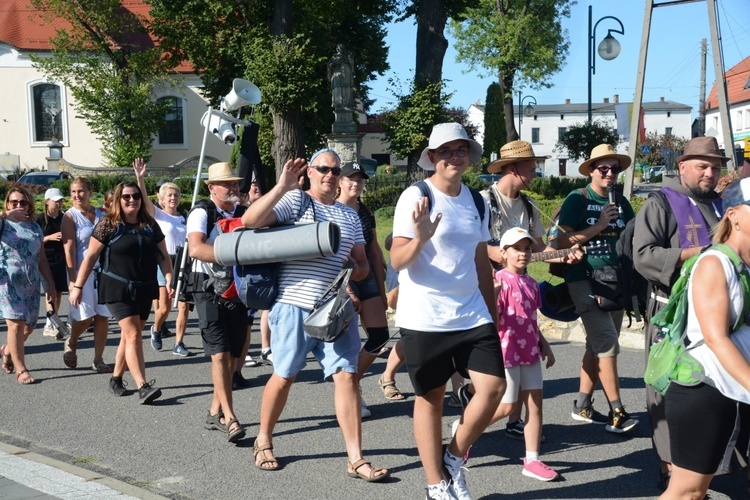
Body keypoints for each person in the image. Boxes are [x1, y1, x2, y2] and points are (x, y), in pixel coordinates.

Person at [241, 148, 389, 482]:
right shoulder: (296, 202)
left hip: (334, 309)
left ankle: (356, 458)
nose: (330, 175)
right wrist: (281, 186)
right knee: (285, 375)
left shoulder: (350, 217)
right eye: (323, 169)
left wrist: (356, 270)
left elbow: (362, 264)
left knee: (347, 376)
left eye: (335, 171)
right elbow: (250, 221)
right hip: (293, 304)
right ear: (310, 171)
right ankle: (263, 439)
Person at [391, 122, 504, 500]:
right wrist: (421, 237)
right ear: (433, 158)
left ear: (468, 156)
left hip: (472, 313)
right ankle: (435, 483)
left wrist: (492, 312)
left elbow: (479, 258)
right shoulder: (416, 196)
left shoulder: (476, 199)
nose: (453, 157)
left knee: (494, 389)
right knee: (432, 398)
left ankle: (454, 458)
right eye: (445, 152)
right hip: (425, 315)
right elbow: (398, 259)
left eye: (460, 151)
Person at [633, 136, 726, 489]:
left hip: (716, 311)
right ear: (682, 166)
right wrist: (699, 252)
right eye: (702, 166)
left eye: (715, 167)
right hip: (671, 312)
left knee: (710, 385)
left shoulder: (721, 204)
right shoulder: (660, 203)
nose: (710, 173)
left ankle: (708, 460)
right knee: (667, 386)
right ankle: (669, 464)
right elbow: (644, 256)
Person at [475, 139, 582, 439]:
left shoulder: (528, 205)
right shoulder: (483, 200)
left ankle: (513, 422)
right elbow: (475, 243)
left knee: (519, 352)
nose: (535, 173)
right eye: (531, 168)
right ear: (513, 169)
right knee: (495, 353)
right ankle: (473, 407)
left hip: (515, 284)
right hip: (485, 284)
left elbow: (540, 248)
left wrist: (562, 253)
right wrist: (493, 253)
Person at [659, 178, 750, 500]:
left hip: (733, 388)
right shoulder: (716, 263)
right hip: (704, 389)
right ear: (734, 215)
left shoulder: (745, 265)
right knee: (688, 492)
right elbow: (716, 338)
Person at [556, 143, 639, 434]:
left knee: (598, 344)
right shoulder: (578, 198)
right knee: (607, 344)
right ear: (591, 170)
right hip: (584, 278)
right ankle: (617, 411)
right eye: (603, 168)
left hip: (614, 282)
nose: (610, 173)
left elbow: (634, 237)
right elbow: (561, 242)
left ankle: (583, 404)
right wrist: (600, 224)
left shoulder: (622, 202)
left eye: (614, 168)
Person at [70, 181, 171, 404]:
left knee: (129, 336)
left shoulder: (149, 224)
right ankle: (143, 386)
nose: (132, 200)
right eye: (126, 197)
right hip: (116, 286)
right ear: (118, 199)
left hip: (144, 287)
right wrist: (77, 286)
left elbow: (163, 255)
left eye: (136, 196)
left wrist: (170, 278)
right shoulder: (109, 224)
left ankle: (116, 378)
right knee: (134, 334)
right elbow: (90, 257)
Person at [186, 162, 249, 442]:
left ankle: (214, 411)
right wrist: (231, 253)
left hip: (237, 288)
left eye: (235, 183)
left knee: (233, 357)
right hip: (206, 288)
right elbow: (196, 248)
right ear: (212, 188)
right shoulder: (202, 211)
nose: (234, 188)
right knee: (220, 354)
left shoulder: (244, 213)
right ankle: (230, 417)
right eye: (227, 184)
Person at [336, 161, 391, 418]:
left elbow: (375, 251)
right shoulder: (331, 210)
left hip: (367, 274)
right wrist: (345, 286)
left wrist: (382, 291)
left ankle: (352, 383)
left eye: (360, 180)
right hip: (338, 277)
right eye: (351, 179)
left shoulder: (365, 211)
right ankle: (349, 392)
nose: (356, 184)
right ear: (340, 181)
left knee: (379, 337)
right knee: (347, 343)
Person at [133, 160, 191, 357]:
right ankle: (156, 328)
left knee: (184, 305)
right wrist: (140, 178)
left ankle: (179, 343)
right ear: (162, 200)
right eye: (169, 195)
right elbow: (143, 200)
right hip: (162, 262)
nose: (173, 198)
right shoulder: (157, 214)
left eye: (176, 195)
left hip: (183, 261)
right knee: (164, 308)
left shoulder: (184, 218)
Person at [0, 186, 57, 384]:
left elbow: (41, 259)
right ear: (7, 204)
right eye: (13, 202)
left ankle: (7, 350)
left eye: (22, 202)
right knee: (15, 324)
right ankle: (21, 370)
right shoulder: (3, 223)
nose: (18, 206)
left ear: (29, 205)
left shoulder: (35, 227)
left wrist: (49, 285)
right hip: (8, 283)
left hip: (31, 283)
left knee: (29, 326)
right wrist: (5, 214)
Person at [62, 177, 112, 373]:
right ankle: (72, 341)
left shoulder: (102, 214)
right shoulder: (70, 217)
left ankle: (98, 359)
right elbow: (68, 250)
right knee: (85, 317)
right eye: (73, 192)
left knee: (102, 316)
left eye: (81, 191)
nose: (77, 195)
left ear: (90, 193)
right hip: (81, 274)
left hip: (104, 272)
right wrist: (73, 280)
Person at [38, 187, 68, 340]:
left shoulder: (64, 218)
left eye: (61, 200)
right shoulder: (40, 219)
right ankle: (50, 322)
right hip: (45, 259)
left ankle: (54, 318)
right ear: (47, 201)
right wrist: (48, 238)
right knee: (50, 290)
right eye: (55, 201)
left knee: (58, 291)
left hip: (60, 259)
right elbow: (34, 240)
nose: (59, 204)